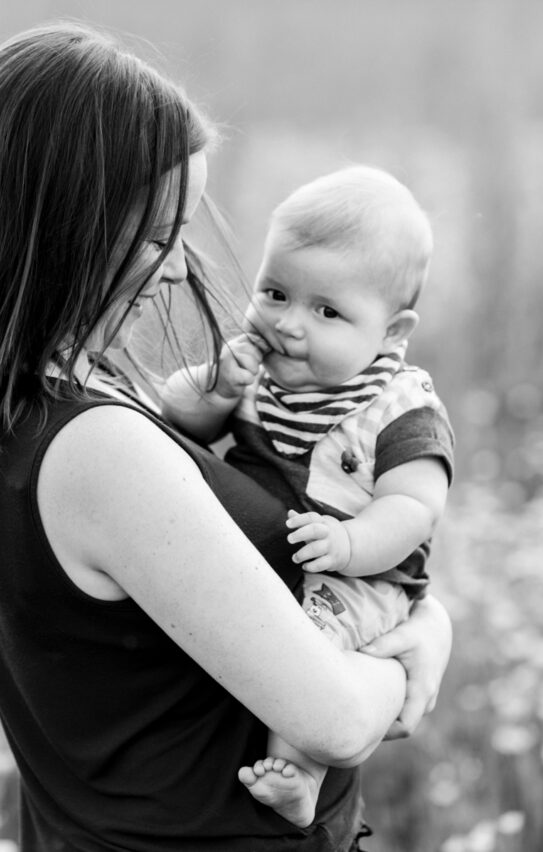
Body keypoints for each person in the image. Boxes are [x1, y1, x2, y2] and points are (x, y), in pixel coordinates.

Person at [0, 22, 452, 851]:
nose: (179, 269)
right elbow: (334, 721)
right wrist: (419, 644)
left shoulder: (15, 408)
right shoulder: (96, 452)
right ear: (59, 233)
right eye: (153, 238)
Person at [161, 166, 454, 827]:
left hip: (361, 579)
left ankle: (301, 775)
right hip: (287, 563)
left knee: (313, 648)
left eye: (327, 311)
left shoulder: (399, 408)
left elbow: (414, 508)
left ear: (392, 331)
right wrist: (215, 386)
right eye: (274, 292)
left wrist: (351, 543)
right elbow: (178, 419)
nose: (289, 324)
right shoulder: (257, 372)